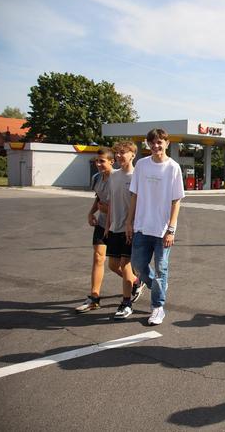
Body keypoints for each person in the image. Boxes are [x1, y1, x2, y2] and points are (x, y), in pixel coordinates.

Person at [126, 129, 185, 326]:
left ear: (167, 143)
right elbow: (134, 195)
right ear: (148, 144)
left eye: (160, 142)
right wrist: (129, 222)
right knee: (137, 265)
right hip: (142, 227)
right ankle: (157, 286)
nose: (156, 146)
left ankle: (158, 307)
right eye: (152, 143)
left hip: (162, 230)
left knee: (161, 270)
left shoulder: (173, 168)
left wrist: (171, 229)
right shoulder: (141, 165)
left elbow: (176, 200)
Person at [75, 147, 118, 313]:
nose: (98, 164)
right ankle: (94, 298)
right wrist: (91, 212)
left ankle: (136, 281)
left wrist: (110, 211)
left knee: (116, 266)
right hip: (101, 224)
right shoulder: (96, 178)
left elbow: (128, 203)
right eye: (96, 161)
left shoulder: (119, 178)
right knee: (98, 258)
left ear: (111, 162)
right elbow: (99, 197)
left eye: (102, 161)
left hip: (117, 225)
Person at [104, 141, 141, 319]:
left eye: (122, 153)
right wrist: (107, 225)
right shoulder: (113, 176)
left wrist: (132, 225)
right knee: (112, 265)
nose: (118, 156)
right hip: (114, 227)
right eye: (116, 153)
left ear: (133, 154)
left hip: (130, 229)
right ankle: (136, 281)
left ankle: (126, 303)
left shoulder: (137, 176)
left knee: (125, 265)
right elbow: (111, 202)